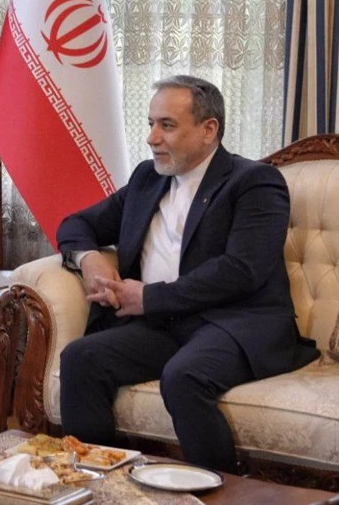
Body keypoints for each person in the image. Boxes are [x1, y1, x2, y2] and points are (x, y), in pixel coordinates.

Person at [57, 75, 320, 473]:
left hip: (233, 323)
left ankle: (222, 491)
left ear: (208, 130)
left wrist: (149, 298)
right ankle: (105, 481)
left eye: (167, 125)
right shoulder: (147, 179)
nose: (151, 138)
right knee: (81, 358)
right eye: (151, 123)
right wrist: (89, 259)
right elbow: (75, 224)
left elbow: (241, 270)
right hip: (165, 324)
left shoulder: (254, 182)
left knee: (184, 376)